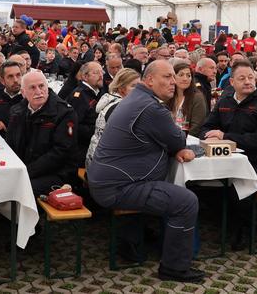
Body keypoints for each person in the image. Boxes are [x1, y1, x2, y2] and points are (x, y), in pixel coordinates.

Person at [87, 60, 204, 283]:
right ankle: (174, 268)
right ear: (149, 80)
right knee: (186, 201)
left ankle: (161, 246)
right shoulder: (151, 107)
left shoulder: (136, 99)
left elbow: (166, 141)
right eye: (167, 77)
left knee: (177, 196)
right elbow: (177, 138)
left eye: (174, 77)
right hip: (118, 187)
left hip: (108, 180)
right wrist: (174, 148)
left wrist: (172, 148)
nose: (174, 83)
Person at [200, 60, 257, 248]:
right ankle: (227, 226)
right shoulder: (225, 101)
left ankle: (246, 232)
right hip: (231, 163)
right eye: (242, 78)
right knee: (204, 187)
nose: (247, 82)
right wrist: (209, 136)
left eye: (251, 77)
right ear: (232, 82)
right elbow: (206, 127)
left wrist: (225, 136)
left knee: (239, 190)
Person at [6, 71, 78, 196]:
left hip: (57, 174)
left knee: (17, 189)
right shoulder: (17, 111)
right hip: (25, 169)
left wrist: (26, 172)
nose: (38, 92)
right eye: (32, 88)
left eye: (41, 86)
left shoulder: (64, 113)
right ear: (23, 93)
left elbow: (60, 152)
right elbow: (11, 144)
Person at [85, 68, 140, 168]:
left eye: (139, 86)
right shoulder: (120, 108)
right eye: (133, 86)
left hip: (95, 159)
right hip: (102, 167)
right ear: (121, 88)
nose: (139, 90)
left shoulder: (110, 99)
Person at [67, 61, 104, 165]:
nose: (101, 75)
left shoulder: (96, 92)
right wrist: (98, 130)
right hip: (82, 150)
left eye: (102, 72)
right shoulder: (80, 95)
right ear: (85, 76)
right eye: (96, 73)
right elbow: (74, 126)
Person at [167, 62, 207, 137]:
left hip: (188, 139)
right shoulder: (168, 96)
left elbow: (196, 126)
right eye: (181, 75)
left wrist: (181, 139)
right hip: (168, 137)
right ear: (173, 77)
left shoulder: (197, 97)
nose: (185, 79)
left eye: (188, 76)